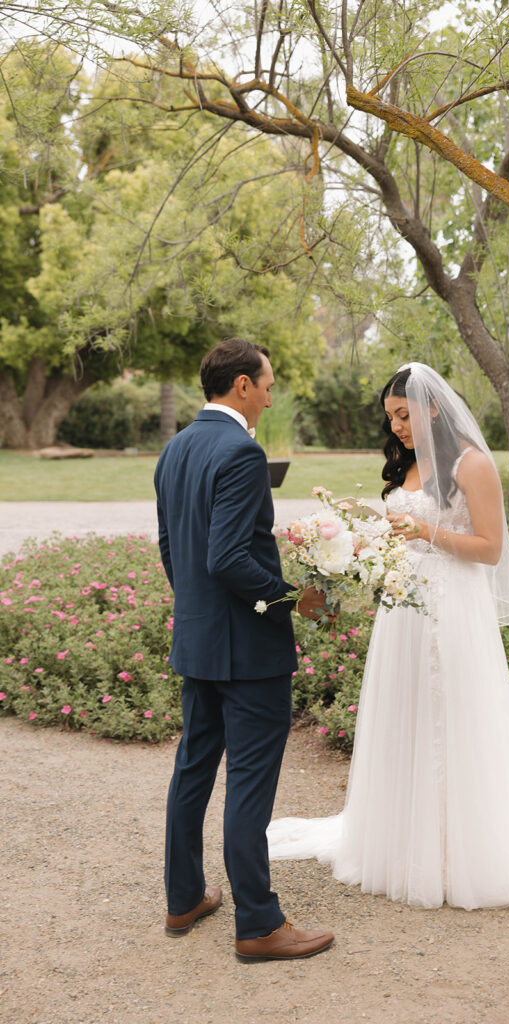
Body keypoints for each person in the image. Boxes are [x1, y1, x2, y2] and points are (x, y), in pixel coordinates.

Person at [267, 362, 509, 926]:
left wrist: (426, 533)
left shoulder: (472, 463)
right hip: (402, 613)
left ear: (433, 407)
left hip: (452, 611)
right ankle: (399, 845)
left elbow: (488, 548)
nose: (398, 428)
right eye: (391, 418)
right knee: (404, 715)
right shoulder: (409, 464)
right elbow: (398, 531)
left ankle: (456, 854)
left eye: (404, 415)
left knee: (451, 719)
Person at [154, 338, 334, 960]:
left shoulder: (174, 449)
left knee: (193, 771)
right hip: (250, 653)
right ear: (241, 387)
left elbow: (171, 550)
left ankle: (184, 900)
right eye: (268, 383)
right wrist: (294, 600)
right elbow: (228, 556)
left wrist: (199, 614)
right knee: (249, 788)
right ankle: (258, 925)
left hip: (198, 640)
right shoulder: (241, 452)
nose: (270, 393)